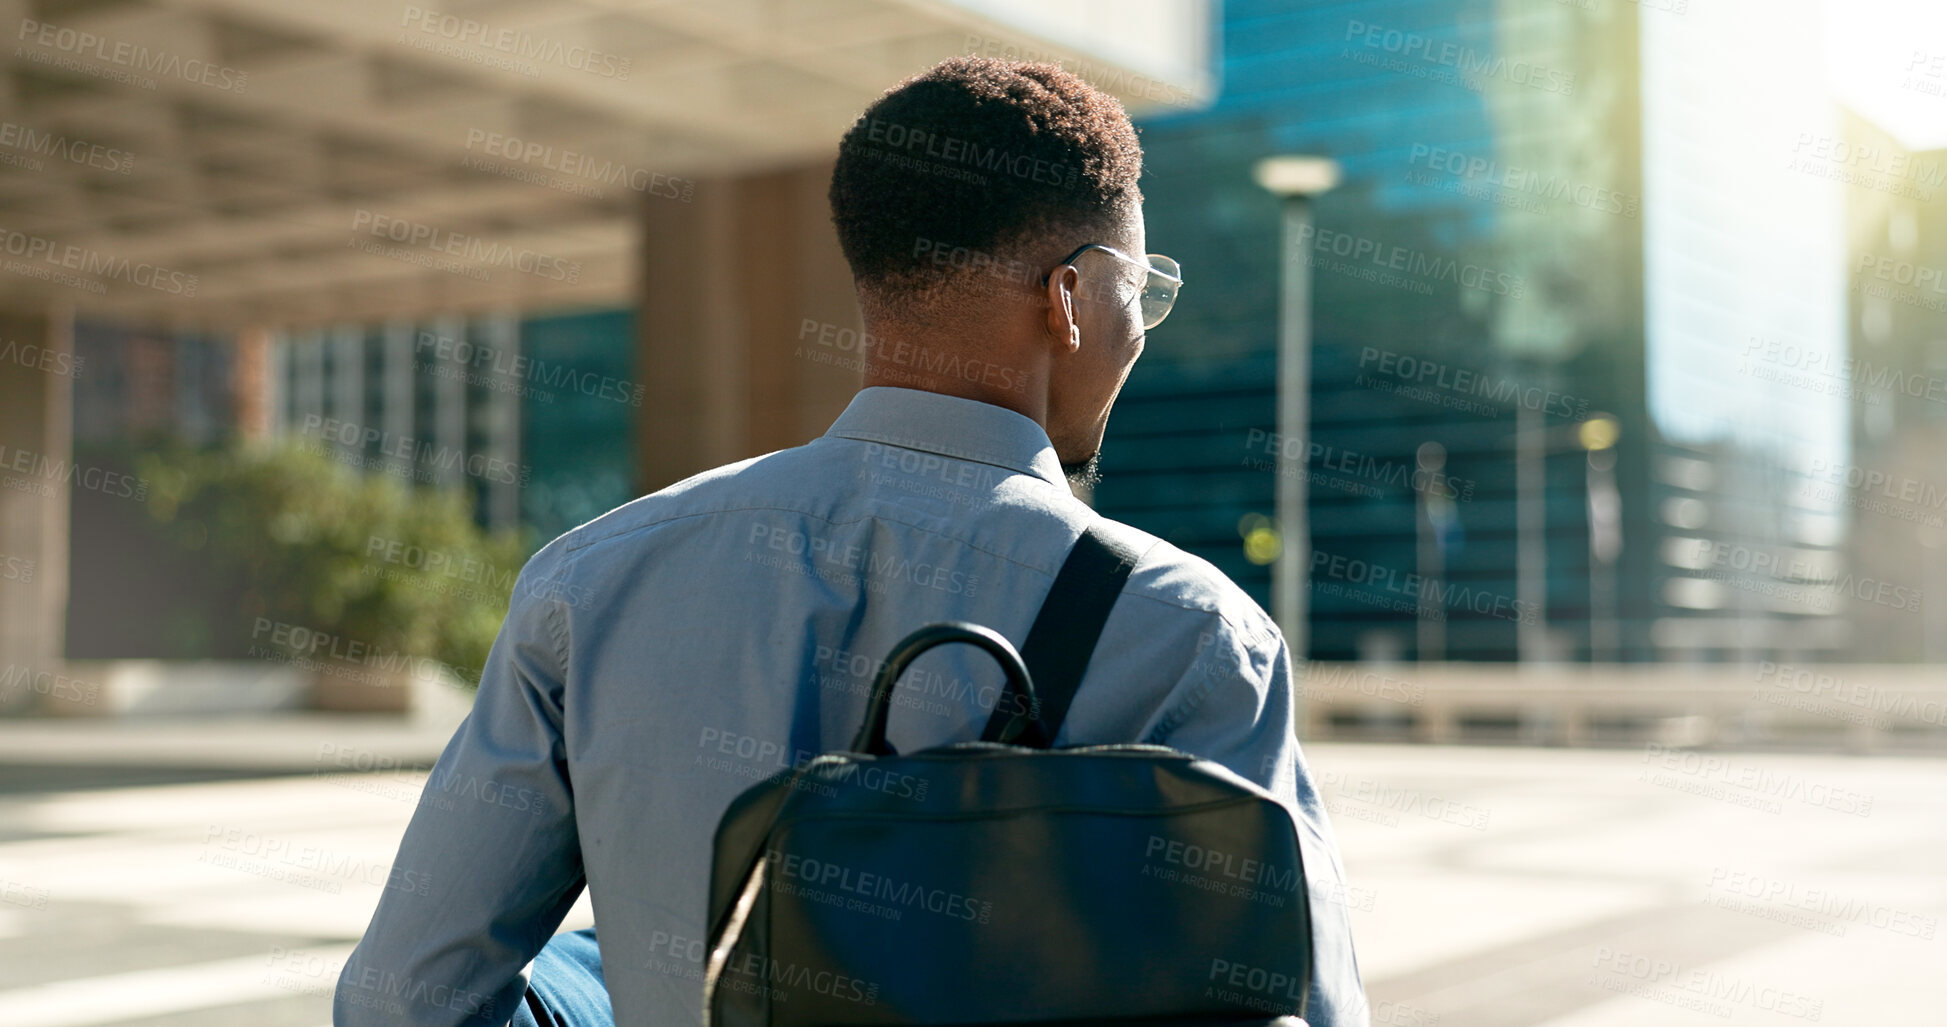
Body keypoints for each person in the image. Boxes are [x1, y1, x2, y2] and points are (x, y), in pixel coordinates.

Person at [335, 56, 1367, 1027]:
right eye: (1141, 291)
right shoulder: (1186, 631)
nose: (1140, 333)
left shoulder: (593, 578)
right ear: (1070, 295)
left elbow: (404, 998)